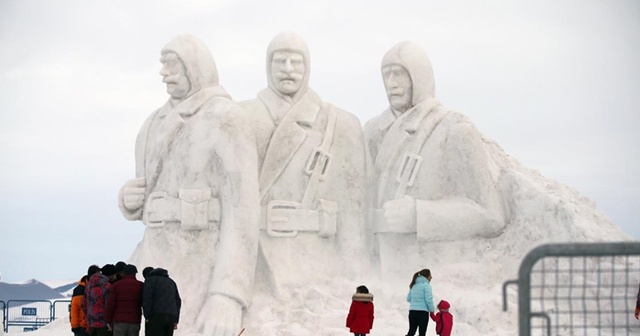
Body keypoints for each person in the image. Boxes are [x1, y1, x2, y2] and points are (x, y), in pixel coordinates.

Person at [117, 34, 260, 335]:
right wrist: (129, 200)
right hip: (151, 256)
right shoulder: (152, 122)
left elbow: (243, 209)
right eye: (163, 65)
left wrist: (227, 294)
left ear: (194, 67)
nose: (163, 73)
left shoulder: (226, 117)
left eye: (171, 64)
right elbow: (146, 191)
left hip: (200, 262)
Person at [240, 31, 368, 297]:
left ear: (307, 67)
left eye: (296, 62)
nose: (288, 69)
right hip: (255, 258)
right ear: (268, 66)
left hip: (317, 260)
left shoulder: (341, 123)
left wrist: (355, 270)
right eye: (280, 61)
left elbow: (354, 207)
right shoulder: (241, 116)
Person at [363, 41, 505, 275]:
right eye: (386, 75)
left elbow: (491, 216)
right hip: (377, 272)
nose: (391, 84)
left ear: (418, 76)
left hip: (435, 272)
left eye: (399, 74)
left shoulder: (454, 128)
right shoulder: (371, 132)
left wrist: (419, 215)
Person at [106, 264, 144, 336]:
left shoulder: (116, 285)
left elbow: (110, 305)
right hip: (134, 320)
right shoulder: (140, 285)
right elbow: (144, 303)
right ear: (135, 273)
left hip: (119, 321)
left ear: (124, 273)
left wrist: (108, 320)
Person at [142, 268, 181, 336]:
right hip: (170, 317)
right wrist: (175, 319)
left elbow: (147, 298)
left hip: (156, 316)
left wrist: (147, 315)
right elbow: (178, 301)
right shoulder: (171, 282)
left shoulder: (150, 280)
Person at [84, 264, 114, 336]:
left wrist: (88, 317)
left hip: (91, 323)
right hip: (103, 323)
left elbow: (84, 303)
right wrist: (110, 321)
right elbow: (109, 305)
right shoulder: (107, 286)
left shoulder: (88, 286)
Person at [405, 269, 435, 336]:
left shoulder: (414, 285)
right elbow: (429, 300)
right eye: (430, 275)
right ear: (427, 276)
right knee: (422, 333)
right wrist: (432, 310)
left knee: (411, 331)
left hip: (412, 312)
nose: (431, 277)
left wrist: (415, 303)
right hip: (422, 313)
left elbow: (408, 298)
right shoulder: (427, 286)